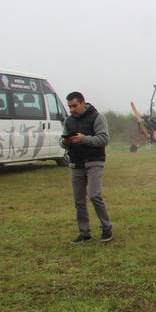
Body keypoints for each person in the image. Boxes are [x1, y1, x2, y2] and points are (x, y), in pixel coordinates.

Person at [60, 91, 112, 243]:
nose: (72, 109)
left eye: (74, 106)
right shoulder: (68, 120)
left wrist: (84, 139)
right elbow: (61, 141)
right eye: (69, 106)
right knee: (79, 200)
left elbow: (104, 139)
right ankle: (84, 233)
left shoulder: (97, 117)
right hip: (76, 163)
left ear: (83, 103)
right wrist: (65, 142)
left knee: (94, 195)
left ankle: (107, 228)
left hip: (94, 161)